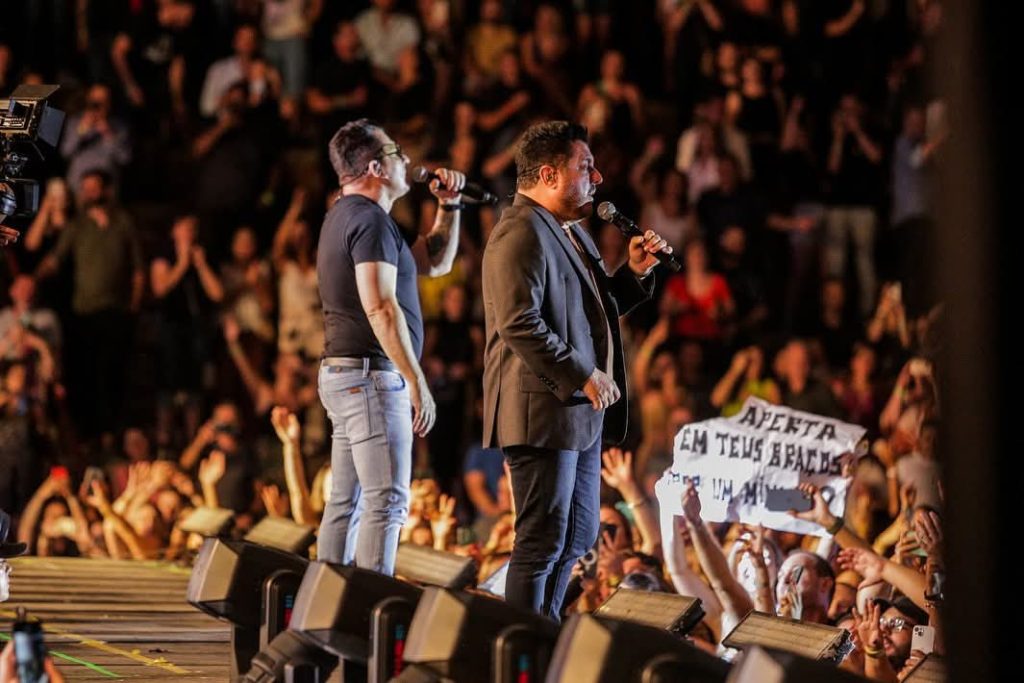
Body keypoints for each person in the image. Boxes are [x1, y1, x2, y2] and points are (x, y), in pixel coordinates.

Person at [481, 120, 671, 617]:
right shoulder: (520, 230)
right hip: (544, 414)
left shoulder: (571, 233)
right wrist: (582, 375)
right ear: (548, 175)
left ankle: (543, 632)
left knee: (576, 537)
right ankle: (520, 647)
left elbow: (594, 315)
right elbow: (519, 323)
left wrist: (634, 274)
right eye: (585, 167)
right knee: (541, 540)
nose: (598, 177)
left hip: (578, 417)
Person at [316, 119, 465, 575]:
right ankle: (363, 621)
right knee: (386, 502)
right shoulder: (368, 221)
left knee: (348, 502)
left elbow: (435, 262)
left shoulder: (353, 217)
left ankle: (324, 612)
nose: (407, 160)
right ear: (378, 167)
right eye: (397, 152)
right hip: (370, 378)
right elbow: (381, 307)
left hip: (348, 377)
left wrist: (450, 204)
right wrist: (415, 379)